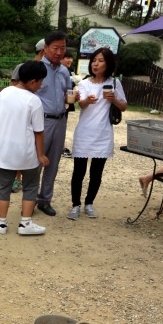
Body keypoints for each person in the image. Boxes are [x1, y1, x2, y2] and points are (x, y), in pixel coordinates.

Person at [0, 60, 49, 236]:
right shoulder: (34, 100)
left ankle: (2, 223)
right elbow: (38, 132)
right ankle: (25, 224)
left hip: (3, 149)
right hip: (25, 151)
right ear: (32, 81)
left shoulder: (4, 93)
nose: (41, 85)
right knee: (30, 185)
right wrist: (41, 154)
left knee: (3, 186)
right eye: (41, 81)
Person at [67, 48, 127, 220]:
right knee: (78, 171)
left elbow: (123, 106)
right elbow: (82, 105)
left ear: (108, 63)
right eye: (94, 60)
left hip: (103, 133)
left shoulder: (115, 83)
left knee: (97, 172)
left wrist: (113, 99)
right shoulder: (85, 83)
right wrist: (86, 100)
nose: (95, 63)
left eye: (100, 60)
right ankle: (75, 204)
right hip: (84, 132)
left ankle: (89, 203)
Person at [34, 31, 74, 216]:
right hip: (41, 120)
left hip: (60, 120)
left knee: (53, 162)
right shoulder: (37, 68)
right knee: (36, 160)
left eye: (63, 48)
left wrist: (73, 97)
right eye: (56, 48)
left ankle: (45, 200)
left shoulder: (64, 70)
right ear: (46, 48)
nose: (59, 52)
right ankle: (30, 199)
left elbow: (67, 93)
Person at [9, 38, 45, 194]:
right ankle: (17, 179)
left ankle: (32, 184)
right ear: (44, 50)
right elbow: (13, 87)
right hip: (24, 111)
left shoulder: (55, 69)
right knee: (20, 145)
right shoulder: (22, 67)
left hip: (41, 113)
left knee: (35, 147)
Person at [61, 49, 76, 159]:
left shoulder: (70, 71)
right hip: (58, 104)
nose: (70, 60)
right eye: (67, 57)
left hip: (67, 103)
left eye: (71, 57)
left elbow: (73, 85)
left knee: (63, 126)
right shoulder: (59, 71)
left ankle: (61, 147)